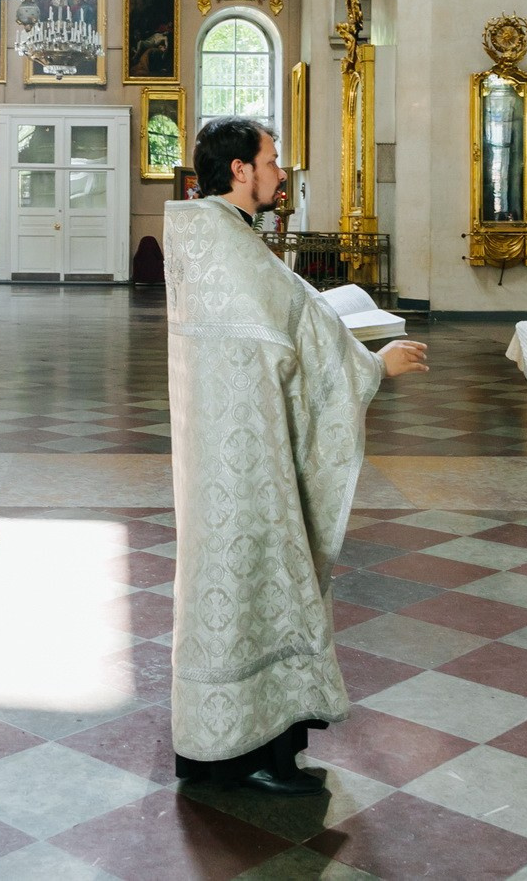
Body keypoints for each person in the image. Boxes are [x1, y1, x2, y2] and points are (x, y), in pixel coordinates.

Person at [164, 116, 427, 795]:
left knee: (236, 585)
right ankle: (255, 755)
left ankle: (226, 747)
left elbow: (291, 322)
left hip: (222, 454)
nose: (282, 172)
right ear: (241, 170)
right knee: (262, 582)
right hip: (250, 462)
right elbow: (302, 331)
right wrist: (373, 367)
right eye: (273, 160)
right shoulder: (233, 247)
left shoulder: (207, 237)